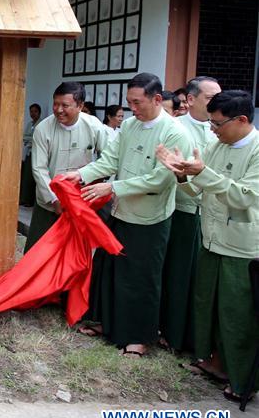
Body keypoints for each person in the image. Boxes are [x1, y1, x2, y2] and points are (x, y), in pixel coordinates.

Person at [59, 73, 189, 357]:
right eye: (129, 103)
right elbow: (109, 160)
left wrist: (113, 186)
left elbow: (159, 180)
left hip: (149, 218)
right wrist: (80, 175)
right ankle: (109, 324)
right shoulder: (129, 126)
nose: (133, 109)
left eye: (138, 102)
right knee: (111, 271)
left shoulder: (174, 132)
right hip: (121, 211)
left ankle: (139, 338)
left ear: (157, 99)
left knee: (142, 278)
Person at [157, 90, 258, 404]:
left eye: (217, 124)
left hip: (243, 248)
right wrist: (182, 177)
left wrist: (201, 173)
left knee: (237, 314)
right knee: (207, 305)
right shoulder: (216, 146)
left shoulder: (256, 150)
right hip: (211, 239)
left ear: (242, 120)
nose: (212, 130)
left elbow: (244, 197)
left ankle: (242, 379)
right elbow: (199, 193)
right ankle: (213, 361)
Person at [159, 76, 221, 353]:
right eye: (210, 98)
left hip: (208, 213)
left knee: (199, 280)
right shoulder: (175, 128)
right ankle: (171, 332)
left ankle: (193, 338)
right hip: (181, 210)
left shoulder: (218, 130)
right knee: (177, 275)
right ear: (191, 99)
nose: (216, 103)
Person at [24, 82, 109, 253]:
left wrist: (95, 179)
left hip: (81, 201)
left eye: (65, 105)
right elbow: (39, 169)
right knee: (39, 252)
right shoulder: (43, 129)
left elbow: (109, 158)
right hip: (50, 201)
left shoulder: (93, 125)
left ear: (80, 106)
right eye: (56, 104)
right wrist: (53, 198)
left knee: (75, 254)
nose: (58, 109)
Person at [19, 103, 41, 206]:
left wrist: (29, 139)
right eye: (31, 111)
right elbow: (24, 136)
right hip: (27, 152)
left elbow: (36, 139)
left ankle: (29, 200)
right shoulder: (30, 124)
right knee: (25, 176)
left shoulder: (41, 124)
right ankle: (24, 199)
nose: (33, 114)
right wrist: (29, 139)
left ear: (39, 112)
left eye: (35, 111)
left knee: (31, 177)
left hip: (36, 153)